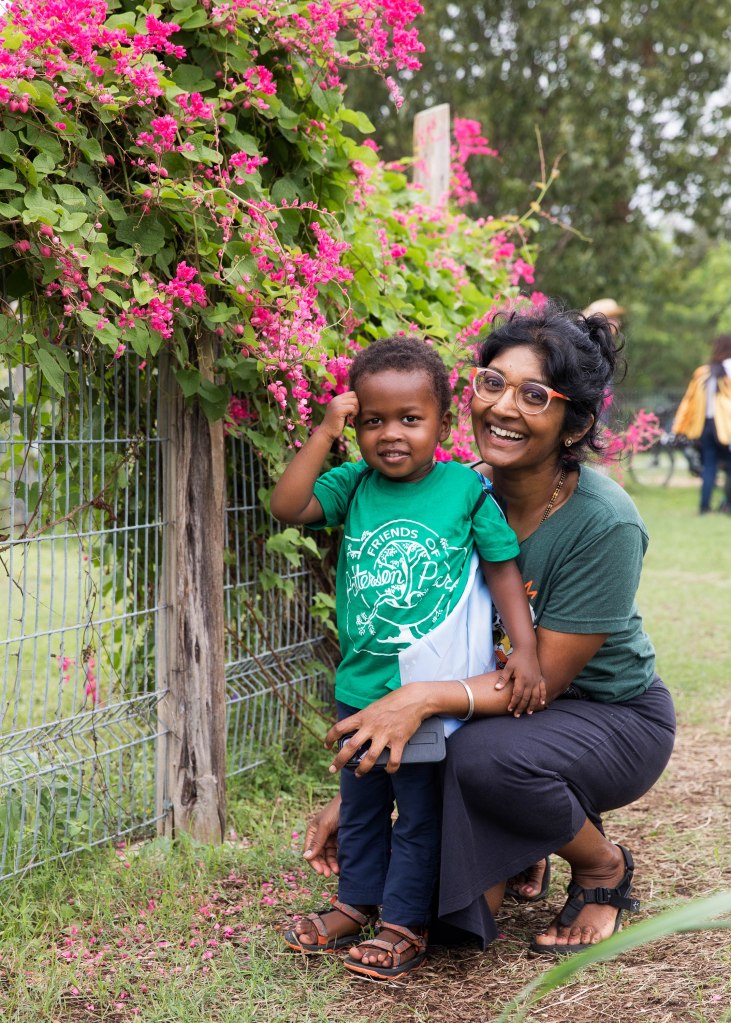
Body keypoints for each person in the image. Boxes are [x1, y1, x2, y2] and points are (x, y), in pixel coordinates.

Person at [300, 302, 676, 967]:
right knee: (451, 912)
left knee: (480, 759)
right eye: (490, 382)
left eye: (534, 394)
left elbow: (541, 681)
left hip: (607, 716)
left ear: (575, 422)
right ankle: (525, 839)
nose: (502, 406)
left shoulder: (603, 522)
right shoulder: (460, 492)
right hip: (490, 708)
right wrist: (362, 769)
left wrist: (414, 701)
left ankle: (601, 868)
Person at [270, 336, 543, 979]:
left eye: (410, 420)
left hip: (427, 689)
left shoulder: (464, 492)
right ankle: (355, 902)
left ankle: (405, 919)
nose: (391, 435)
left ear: (442, 424)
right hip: (361, 683)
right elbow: (287, 506)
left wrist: (525, 650)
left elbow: (504, 572)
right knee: (361, 801)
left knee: (420, 809)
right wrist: (322, 431)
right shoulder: (352, 485)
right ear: (355, 425)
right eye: (373, 421)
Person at [672, 334, 731, 514]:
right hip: (726, 428)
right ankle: (727, 505)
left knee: (709, 466)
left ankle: (704, 507)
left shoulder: (702, 373)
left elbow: (688, 402)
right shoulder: (728, 370)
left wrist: (679, 427)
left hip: (704, 427)